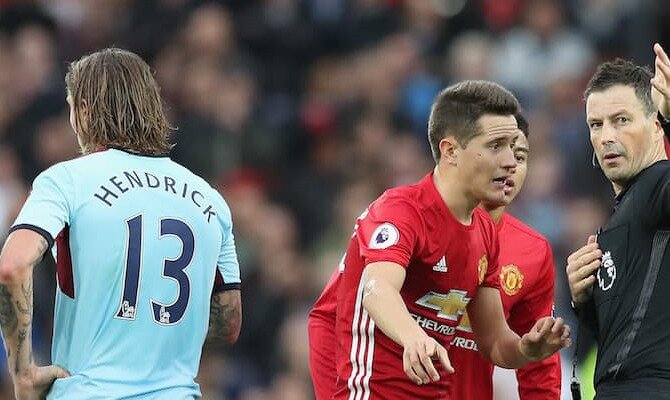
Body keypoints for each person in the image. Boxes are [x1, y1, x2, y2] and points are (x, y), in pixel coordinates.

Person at [0, 48, 242, 400]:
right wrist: (150, 325)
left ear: (83, 110)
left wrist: (22, 373)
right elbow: (228, 321)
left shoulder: (67, 180)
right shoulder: (210, 199)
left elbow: (12, 265)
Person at [309, 80, 571, 400]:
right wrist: (412, 336)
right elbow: (376, 289)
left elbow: (493, 342)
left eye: (515, 150)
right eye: (495, 146)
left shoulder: (485, 232)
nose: (509, 161)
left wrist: (526, 349)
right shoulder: (400, 210)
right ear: (450, 151)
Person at [566, 43, 670, 399]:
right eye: (596, 124)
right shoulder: (624, 211)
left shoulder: (658, 185)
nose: (606, 136)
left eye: (621, 120)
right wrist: (584, 299)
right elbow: (629, 335)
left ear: (656, 126)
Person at [447, 114, 561, 400]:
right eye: (496, 150)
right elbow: (330, 315)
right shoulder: (412, 218)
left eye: (520, 156)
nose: (510, 166)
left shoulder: (533, 251)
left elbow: (539, 364)